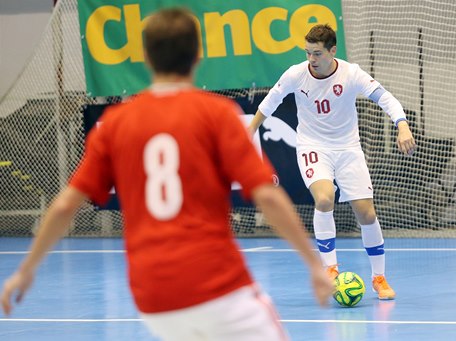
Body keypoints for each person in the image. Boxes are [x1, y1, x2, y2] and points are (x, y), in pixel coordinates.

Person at [1, 7, 333, 341]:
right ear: (198, 55)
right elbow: (268, 196)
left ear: (145, 57)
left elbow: (63, 207)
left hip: (153, 297)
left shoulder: (115, 123)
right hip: (218, 285)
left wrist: (26, 271)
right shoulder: (216, 114)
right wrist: (313, 264)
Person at [248, 24, 416, 300]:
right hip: (313, 146)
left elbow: (385, 98)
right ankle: (330, 270)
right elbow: (270, 101)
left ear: (332, 51)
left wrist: (402, 125)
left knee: (367, 214)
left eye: (316, 53)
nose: (311, 59)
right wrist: (250, 130)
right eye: (307, 52)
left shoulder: (351, 74)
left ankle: (379, 278)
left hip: (348, 148)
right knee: (324, 199)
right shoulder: (296, 74)